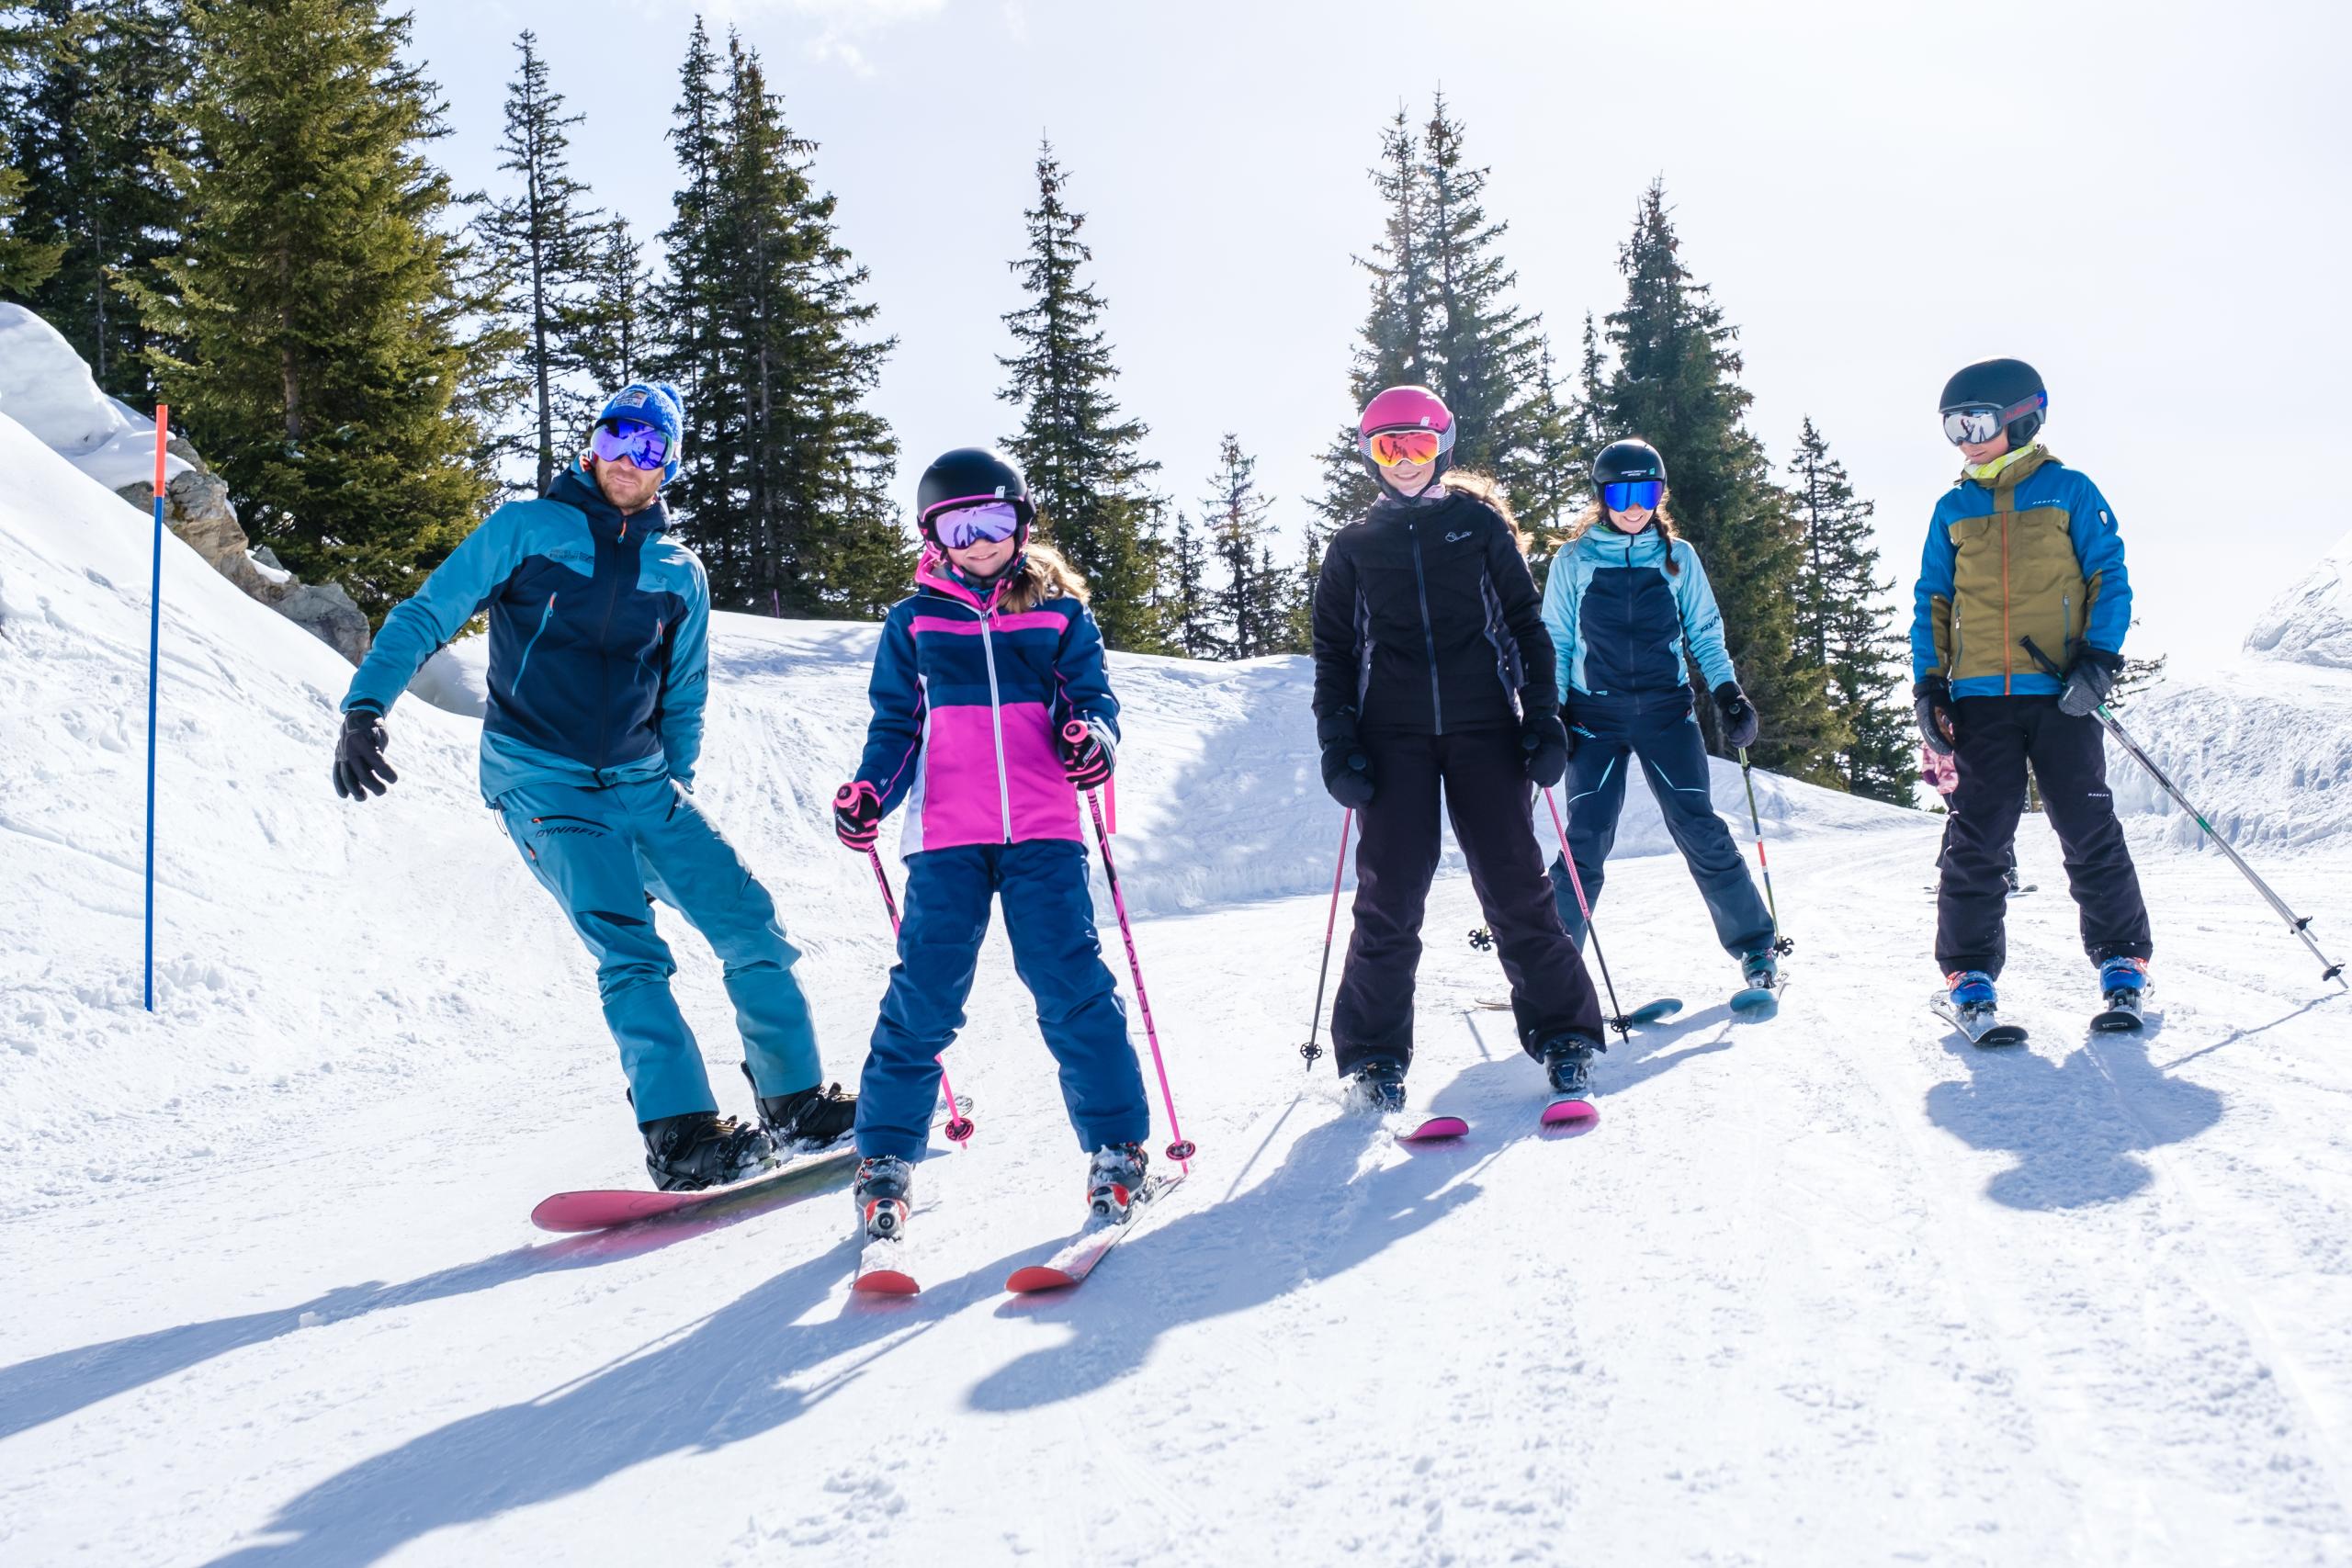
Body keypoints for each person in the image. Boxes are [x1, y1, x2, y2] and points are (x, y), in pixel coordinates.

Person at [331, 382, 854, 1191]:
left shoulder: (680, 570)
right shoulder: (525, 529)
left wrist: (667, 798)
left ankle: (793, 1100)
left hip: (643, 785)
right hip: (542, 778)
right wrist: (365, 707)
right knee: (630, 945)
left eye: (649, 448)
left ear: (667, 468)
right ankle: (681, 1134)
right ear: (591, 445)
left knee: (747, 918)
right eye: (617, 437)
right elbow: (427, 614)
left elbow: (683, 693)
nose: (627, 459)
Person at [833, 447, 1154, 1241]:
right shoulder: (913, 623)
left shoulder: (1059, 615)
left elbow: (1094, 702)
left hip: (1043, 829)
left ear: (1022, 522)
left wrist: (1092, 741)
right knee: (926, 994)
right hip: (945, 836)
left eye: (996, 521)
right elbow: (897, 727)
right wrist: (873, 790)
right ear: (933, 534)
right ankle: (884, 1158)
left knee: (1070, 981)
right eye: (960, 526)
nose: (980, 540)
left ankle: (1117, 1144)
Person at [1310, 385, 1607, 1103]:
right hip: (1391, 738)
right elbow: (1335, 656)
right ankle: (1374, 1056)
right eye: (1388, 447)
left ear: (1440, 444)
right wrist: (1339, 744)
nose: (1404, 460)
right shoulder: (1353, 546)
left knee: (1516, 885)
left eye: (1415, 444)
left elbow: (1525, 631)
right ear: (1370, 456)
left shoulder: (1477, 527)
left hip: (1484, 728)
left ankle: (1565, 1032)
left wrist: (1543, 719)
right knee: (1390, 894)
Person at [1911, 356, 2152, 1022]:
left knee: (2085, 823)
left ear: (2020, 416)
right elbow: (1932, 597)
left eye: (1977, 421)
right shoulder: (1952, 508)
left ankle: (2122, 958)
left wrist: (2099, 660)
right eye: (1952, 427)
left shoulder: (2069, 491)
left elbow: (2111, 575)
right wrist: (1929, 687)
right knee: (1978, 836)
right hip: (1981, 698)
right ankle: (1968, 973)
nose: (1965, 438)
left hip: (2062, 693)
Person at [1539, 438, 1780, 997]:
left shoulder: (1678, 556)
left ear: (1659, 494)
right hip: (1593, 717)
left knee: (1698, 825)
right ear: (1601, 496)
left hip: (1666, 713)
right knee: (1588, 837)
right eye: (1621, 492)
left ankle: (1754, 946)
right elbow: (1553, 637)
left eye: (1646, 491)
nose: (1633, 505)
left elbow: (1704, 628)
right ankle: (1549, 964)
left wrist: (1728, 692)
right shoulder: (1574, 560)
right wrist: (1550, 711)